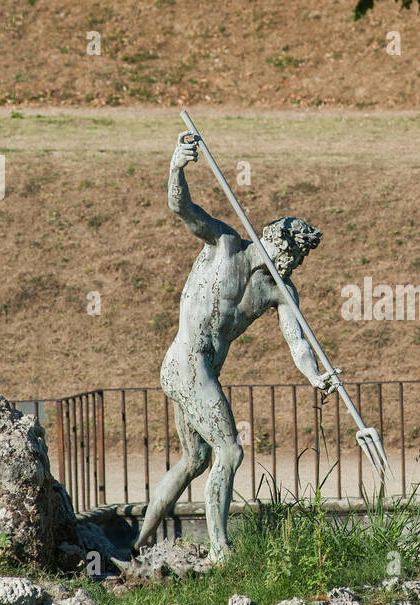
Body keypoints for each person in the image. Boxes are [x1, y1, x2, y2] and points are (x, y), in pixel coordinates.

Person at [134, 133, 339, 560]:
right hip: (188, 363)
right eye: (297, 256)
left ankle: (139, 544)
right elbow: (182, 209)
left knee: (195, 459)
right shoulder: (225, 244)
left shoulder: (280, 292)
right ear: (281, 246)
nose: (298, 265)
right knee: (230, 450)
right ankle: (220, 552)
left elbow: (297, 342)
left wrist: (314, 374)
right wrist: (176, 166)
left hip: (199, 371)